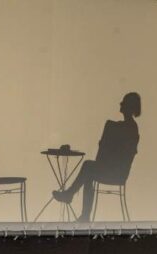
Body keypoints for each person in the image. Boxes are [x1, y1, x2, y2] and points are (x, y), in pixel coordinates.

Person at [53, 93, 141, 222]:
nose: (120, 104)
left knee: (88, 166)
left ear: (129, 106)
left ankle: (72, 198)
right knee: (89, 170)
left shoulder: (128, 127)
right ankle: (83, 213)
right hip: (114, 170)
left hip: (116, 173)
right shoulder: (126, 127)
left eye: (123, 102)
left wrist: (108, 135)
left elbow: (119, 153)